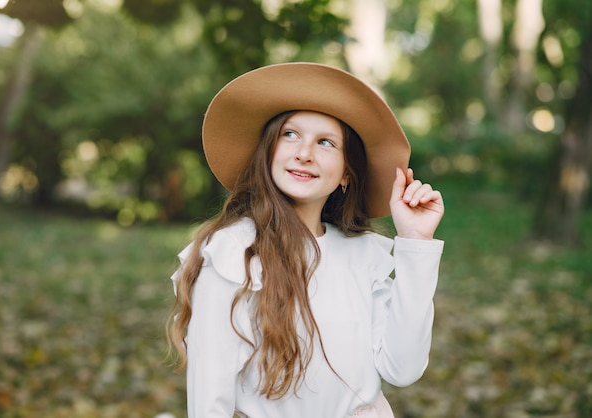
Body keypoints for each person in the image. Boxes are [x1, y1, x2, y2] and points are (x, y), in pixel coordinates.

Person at [167, 62, 445, 418]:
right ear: (267, 151)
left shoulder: (361, 255)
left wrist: (415, 244)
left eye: (326, 142)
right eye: (290, 134)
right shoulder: (232, 254)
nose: (304, 153)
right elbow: (209, 399)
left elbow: (403, 369)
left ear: (347, 172)